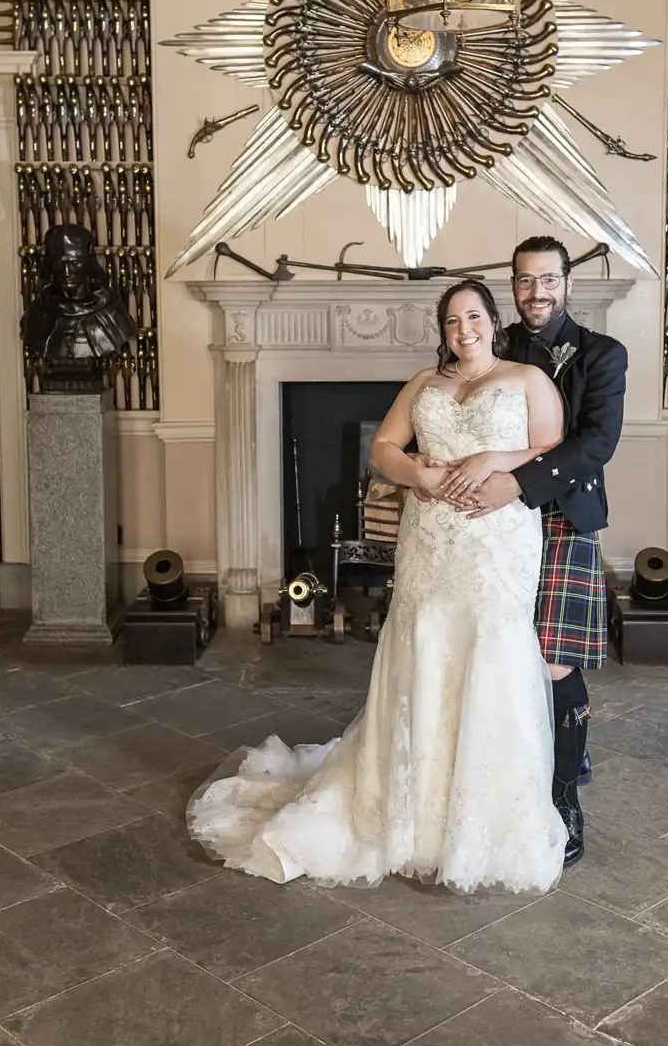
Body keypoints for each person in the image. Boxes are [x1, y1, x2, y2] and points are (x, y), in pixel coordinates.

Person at [187, 279, 571, 892]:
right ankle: (408, 810)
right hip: (430, 539)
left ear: (494, 323)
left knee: (491, 653)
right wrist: (415, 470)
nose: (463, 329)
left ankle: (483, 820)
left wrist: (494, 461)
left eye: (474, 317)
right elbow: (382, 449)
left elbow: (551, 450)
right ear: (442, 329)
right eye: (451, 320)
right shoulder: (425, 384)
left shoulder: (528, 380)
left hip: (497, 541)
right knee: (423, 648)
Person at [437, 236, 627, 865]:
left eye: (548, 279)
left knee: (552, 664)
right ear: (511, 286)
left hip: (560, 513)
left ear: (566, 282)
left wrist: (515, 483)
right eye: (524, 281)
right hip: (493, 524)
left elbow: (595, 443)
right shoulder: (493, 343)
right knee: (496, 654)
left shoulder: (603, 354)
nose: (536, 292)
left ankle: (564, 794)